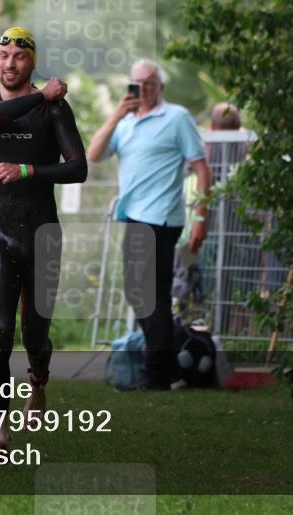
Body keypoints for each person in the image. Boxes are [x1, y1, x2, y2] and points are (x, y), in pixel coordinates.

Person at [0, 26, 87, 451]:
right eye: (4, 56)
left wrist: (28, 170)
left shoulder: (54, 112)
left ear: (31, 62)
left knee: (34, 334)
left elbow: (78, 169)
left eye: (19, 57)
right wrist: (44, 93)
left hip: (42, 234)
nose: (10, 64)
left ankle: (39, 381)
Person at [86, 59, 211, 390]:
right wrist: (115, 115)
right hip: (134, 217)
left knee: (150, 297)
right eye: (137, 83)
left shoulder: (177, 118)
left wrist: (200, 217)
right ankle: (167, 368)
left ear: (161, 87)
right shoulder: (124, 123)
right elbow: (94, 154)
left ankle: (158, 376)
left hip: (162, 219)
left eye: (150, 83)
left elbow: (201, 168)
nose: (143, 89)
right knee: (137, 293)